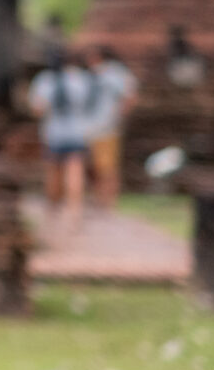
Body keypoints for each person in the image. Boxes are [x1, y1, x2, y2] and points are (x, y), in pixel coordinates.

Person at [28, 45, 98, 233]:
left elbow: (37, 108)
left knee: (54, 173)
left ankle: (53, 211)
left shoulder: (45, 80)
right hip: (77, 131)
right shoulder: (79, 79)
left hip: (54, 133)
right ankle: (74, 212)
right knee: (75, 171)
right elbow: (89, 103)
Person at [85, 43, 139, 213]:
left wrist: (117, 116)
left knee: (108, 167)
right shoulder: (92, 75)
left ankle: (108, 202)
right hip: (89, 128)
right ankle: (98, 197)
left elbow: (130, 97)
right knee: (92, 166)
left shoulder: (115, 73)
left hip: (107, 128)